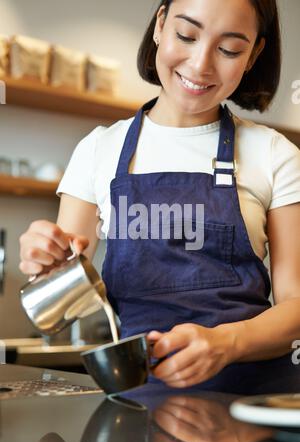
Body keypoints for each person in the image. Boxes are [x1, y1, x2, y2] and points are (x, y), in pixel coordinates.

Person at [19, 0, 300, 394]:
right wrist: (42, 258)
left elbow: (297, 306)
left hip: (250, 399)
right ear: (160, 25)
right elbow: (60, 301)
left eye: (229, 49)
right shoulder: (100, 149)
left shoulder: (274, 153)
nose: (201, 64)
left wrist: (226, 343)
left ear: (253, 55)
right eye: (186, 35)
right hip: (138, 397)